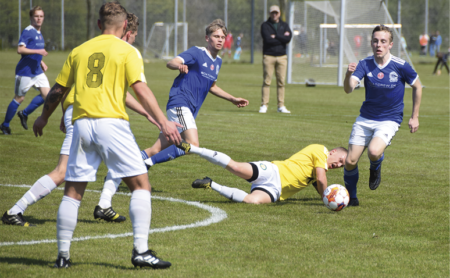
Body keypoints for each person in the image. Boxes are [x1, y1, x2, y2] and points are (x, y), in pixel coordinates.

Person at [32, 2, 181, 269]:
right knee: (140, 185)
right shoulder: (128, 50)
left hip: (81, 124)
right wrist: (164, 121)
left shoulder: (79, 50)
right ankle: (141, 251)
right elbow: (141, 90)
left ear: (99, 24)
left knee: (73, 192)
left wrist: (43, 117)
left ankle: (63, 257)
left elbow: (57, 90)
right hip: (111, 124)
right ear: (125, 26)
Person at [1, 13, 149, 227]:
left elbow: (67, 87)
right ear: (127, 32)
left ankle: (104, 205)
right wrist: (146, 113)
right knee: (65, 172)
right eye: (133, 35)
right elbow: (121, 93)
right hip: (89, 116)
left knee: (120, 161)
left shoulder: (92, 49)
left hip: (78, 113)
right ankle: (16, 210)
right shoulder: (120, 52)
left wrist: (64, 113)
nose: (133, 40)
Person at [140, 19, 248, 169]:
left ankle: (123, 171)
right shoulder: (197, 52)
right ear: (207, 38)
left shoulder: (218, 62)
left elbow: (212, 86)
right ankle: (148, 163)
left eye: (222, 37)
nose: (220, 40)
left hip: (188, 110)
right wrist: (179, 65)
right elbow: (170, 62)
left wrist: (233, 99)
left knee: (155, 149)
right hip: (180, 103)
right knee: (192, 144)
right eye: (216, 36)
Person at [343, 25, 422, 207]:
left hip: (389, 119)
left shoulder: (400, 65)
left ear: (390, 44)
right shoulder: (364, 64)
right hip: (365, 118)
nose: (379, 44)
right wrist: (348, 74)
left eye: (383, 41)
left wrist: (414, 116)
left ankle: (375, 166)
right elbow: (348, 89)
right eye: (375, 41)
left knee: (373, 151)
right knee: (350, 161)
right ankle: (351, 198)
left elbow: (417, 86)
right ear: (371, 43)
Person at [176, 141, 347, 204]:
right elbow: (321, 178)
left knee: (251, 201)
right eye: (340, 160)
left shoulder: (320, 168)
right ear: (332, 152)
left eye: (341, 166)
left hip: (275, 191)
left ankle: (210, 184)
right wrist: (328, 197)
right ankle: (194, 148)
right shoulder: (321, 151)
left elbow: (318, 183)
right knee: (235, 167)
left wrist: (324, 197)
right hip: (273, 172)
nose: (338, 165)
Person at [0, 6, 50, 135]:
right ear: (31, 18)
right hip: (25, 71)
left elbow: (33, 50)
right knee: (19, 98)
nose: (39, 19)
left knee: (48, 96)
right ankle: (5, 125)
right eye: (36, 16)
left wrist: (41, 61)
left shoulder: (39, 33)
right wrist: (39, 52)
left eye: (41, 16)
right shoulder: (28, 31)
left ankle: (24, 113)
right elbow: (20, 49)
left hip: (37, 70)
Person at [259, 5, 292, 114]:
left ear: (279, 14)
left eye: (276, 13)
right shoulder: (265, 25)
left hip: (282, 56)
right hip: (269, 56)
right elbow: (267, 39)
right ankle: (264, 105)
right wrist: (281, 37)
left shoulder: (284, 25)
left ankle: (281, 106)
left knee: (281, 82)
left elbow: (288, 39)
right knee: (267, 81)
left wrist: (276, 36)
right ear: (269, 13)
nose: (274, 14)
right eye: (272, 12)